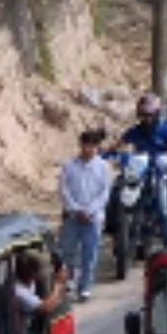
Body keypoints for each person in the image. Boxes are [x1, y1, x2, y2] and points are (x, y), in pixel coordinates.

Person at [58, 129, 112, 301]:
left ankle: (85, 287)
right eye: (85, 145)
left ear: (97, 147)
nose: (88, 149)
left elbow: (104, 193)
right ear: (80, 146)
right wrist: (76, 209)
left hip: (93, 218)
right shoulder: (70, 166)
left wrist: (90, 211)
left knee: (90, 254)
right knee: (68, 251)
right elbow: (64, 191)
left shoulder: (103, 167)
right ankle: (69, 281)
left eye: (92, 146)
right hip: (73, 216)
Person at [118, 94, 167, 239]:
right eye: (143, 115)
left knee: (163, 208)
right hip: (139, 171)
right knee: (117, 189)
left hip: (159, 172)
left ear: (157, 114)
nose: (146, 118)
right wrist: (109, 152)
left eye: (149, 115)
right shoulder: (136, 130)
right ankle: (117, 232)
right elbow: (120, 143)